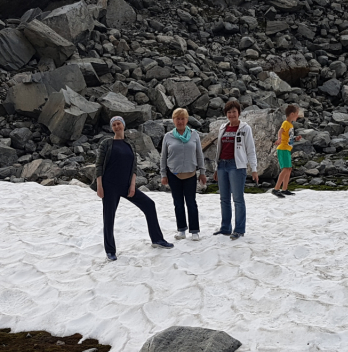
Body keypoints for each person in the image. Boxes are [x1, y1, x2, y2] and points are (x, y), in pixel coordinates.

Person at [96, 116, 173, 261]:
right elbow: (99, 165)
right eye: (114, 125)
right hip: (109, 186)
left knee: (149, 205)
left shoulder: (129, 144)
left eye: (119, 124)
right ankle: (110, 251)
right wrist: (100, 186)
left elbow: (134, 167)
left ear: (123, 125)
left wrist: (132, 185)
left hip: (126, 185)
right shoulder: (106, 143)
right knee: (109, 217)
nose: (117, 126)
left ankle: (157, 239)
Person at [213, 101, 259, 240]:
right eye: (228, 112)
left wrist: (254, 169)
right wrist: (216, 168)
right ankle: (225, 227)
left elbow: (250, 150)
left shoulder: (245, 128)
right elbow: (219, 150)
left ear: (239, 112)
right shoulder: (223, 128)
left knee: (238, 199)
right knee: (224, 199)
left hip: (237, 166)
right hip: (222, 165)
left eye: (234, 111)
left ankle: (239, 229)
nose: (231, 115)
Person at [160, 108, 207, 242]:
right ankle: (181, 230)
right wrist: (163, 174)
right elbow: (163, 156)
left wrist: (202, 172)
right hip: (173, 174)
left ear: (187, 120)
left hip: (190, 174)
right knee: (178, 203)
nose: (180, 121)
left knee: (191, 203)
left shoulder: (194, 135)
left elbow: (199, 154)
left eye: (183, 118)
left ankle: (194, 230)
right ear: (173, 120)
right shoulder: (168, 136)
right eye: (177, 119)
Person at [273, 104, 303, 198]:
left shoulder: (290, 125)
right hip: (282, 148)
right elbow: (280, 131)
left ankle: (284, 189)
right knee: (285, 168)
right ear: (292, 114)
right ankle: (276, 189)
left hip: (287, 148)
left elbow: (288, 137)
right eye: (297, 114)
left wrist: (295, 138)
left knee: (289, 169)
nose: (298, 116)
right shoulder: (285, 123)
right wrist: (279, 139)